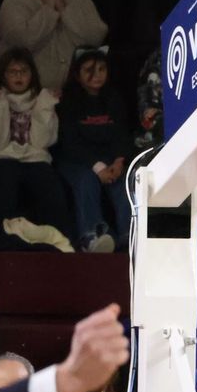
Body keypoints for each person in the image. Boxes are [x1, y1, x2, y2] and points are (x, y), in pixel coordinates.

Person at [0, 48, 74, 251]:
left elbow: (42, 142)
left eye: (24, 71)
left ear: (32, 74)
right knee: (5, 185)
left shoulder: (43, 99)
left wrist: (44, 106)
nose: (18, 76)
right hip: (1, 157)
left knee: (51, 189)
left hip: (35, 158)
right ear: (3, 75)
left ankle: (61, 245)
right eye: (12, 71)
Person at [0, 0, 107, 100]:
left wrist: (62, 6)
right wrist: (49, 8)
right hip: (26, 95)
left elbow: (95, 38)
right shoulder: (15, 0)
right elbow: (21, 42)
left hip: (74, 94)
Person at [55, 46, 132, 253]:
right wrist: (98, 167)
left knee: (125, 181)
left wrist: (118, 161)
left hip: (109, 159)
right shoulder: (68, 101)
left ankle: (129, 234)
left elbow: (122, 133)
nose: (96, 75)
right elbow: (69, 142)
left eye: (101, 69)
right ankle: (91, 235)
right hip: (76, 160)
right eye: (89, 70)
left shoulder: (114, 98)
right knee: (86, 180)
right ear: (77, 75)